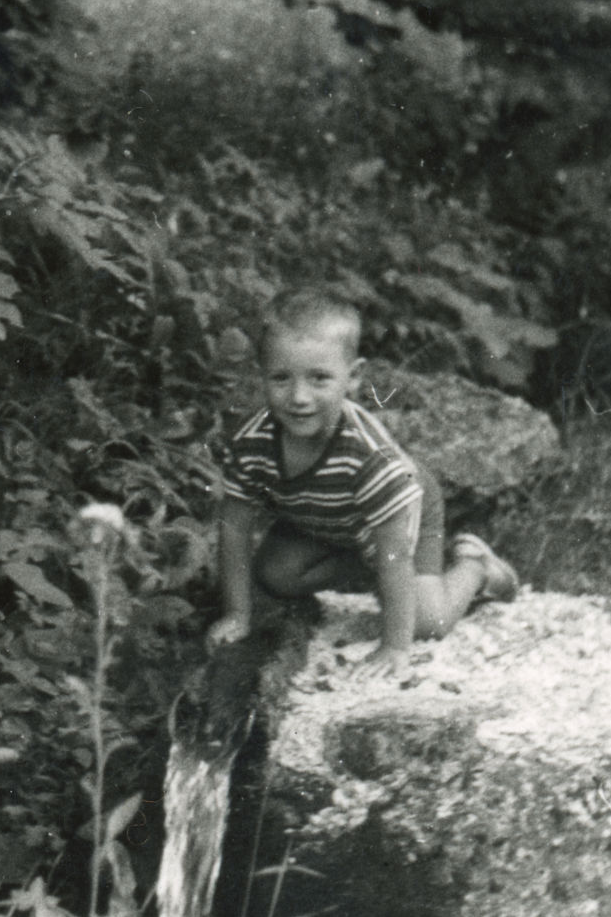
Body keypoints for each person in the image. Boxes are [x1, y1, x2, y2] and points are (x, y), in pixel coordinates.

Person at [206, 288, 519, 674]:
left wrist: (394, 647)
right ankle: (377, 575)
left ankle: (476, 567)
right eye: (281, 378)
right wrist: (237, 614)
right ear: (262, 377)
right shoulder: (254, 442)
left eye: (320, 378)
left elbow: (395, 552)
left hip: (404, 511)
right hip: (335, 524)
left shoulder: (368, 456)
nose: (299, 397)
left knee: (428, 624)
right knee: (275, 575)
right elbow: (234, 526)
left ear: (352, 378)